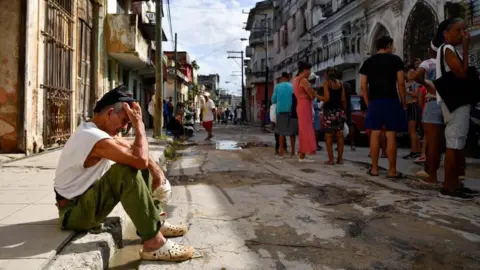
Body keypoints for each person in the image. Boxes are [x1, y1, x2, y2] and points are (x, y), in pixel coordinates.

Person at [53, 86, 194, 262]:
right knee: (126, 171)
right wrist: (140, 126)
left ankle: (155, 222)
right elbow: (139, 159)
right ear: (110, 112)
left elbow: (135, 151)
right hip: (73, 213)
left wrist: (156, 172)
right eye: (124, 121)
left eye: (129, 123)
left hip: (84, 203)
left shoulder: (97, 129)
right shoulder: (92, 136)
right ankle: (153, 243)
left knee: (138, 162)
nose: (125, 127)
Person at [433, 18, 475, 199]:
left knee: (457, 143)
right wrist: (466, 48)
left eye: (464, 30)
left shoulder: (448, 50)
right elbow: (461, 73)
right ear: (446, 33)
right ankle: (449, 186)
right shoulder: (448, 49)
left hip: (455, 102)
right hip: (454, 102)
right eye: (458, 30)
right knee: (454, 143)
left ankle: (456, 183)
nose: (462, 34)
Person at [360, 35, 408, 178]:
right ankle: (392, 170)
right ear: (388, 45)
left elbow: (363, 86)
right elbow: (400, 83)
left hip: (375, 101)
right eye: (391, 45)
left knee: (374, 133)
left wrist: (369, 103)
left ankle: (374, 169)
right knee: (391, 134)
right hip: (391, 100)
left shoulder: (368, 62)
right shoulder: (396, 60)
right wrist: (404, 102)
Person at [409, 46, 443, 181]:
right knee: (442, 140)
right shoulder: (448, 61)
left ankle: (431, 173)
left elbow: (415, 76)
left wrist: (426, 83)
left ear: (430, 51)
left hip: (433, 100)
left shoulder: (428, 63)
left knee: (430, 138)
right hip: (448, 102)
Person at [320, 67, 347, 165]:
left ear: (327, 75)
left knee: (328, 136)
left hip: (329, 112)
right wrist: (344, 111)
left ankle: (331, 160)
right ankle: (340, 159)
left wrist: (317, 96)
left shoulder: (327, 83)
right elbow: (343, 99)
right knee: (340, 136)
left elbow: (327, 98)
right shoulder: (341, 83)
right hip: (339, 112)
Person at [294, 61, 320, 162]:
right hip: (305, 105)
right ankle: (302, 155)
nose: (309, 72)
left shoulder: (296, 79)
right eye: (308, 70)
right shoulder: (304, 80)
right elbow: (312, 95)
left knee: (303, 130)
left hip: (300, 105)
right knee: (306, 130)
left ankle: (302, 154)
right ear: (304, 70)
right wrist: (314, 92)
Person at [271, 72, 297, 158]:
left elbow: (273, 100)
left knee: (281, 132)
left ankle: (281, 152)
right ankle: (293, 152)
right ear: (288, 77)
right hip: (291, 111)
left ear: (282, 77)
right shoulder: (292, 86)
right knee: (292, 133)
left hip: (280, 111)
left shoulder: (277, 87)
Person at [403, 64, 422, 160]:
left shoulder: (416, 84)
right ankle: (417, 150)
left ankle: (414, 151)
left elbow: (416, 94)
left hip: (414, 106)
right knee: (411, 131)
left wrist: (406, 92)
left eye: (412, 72)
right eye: (409, 72)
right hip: (408, 106)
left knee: (413, 131)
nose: (410, 74)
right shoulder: (405, 84)